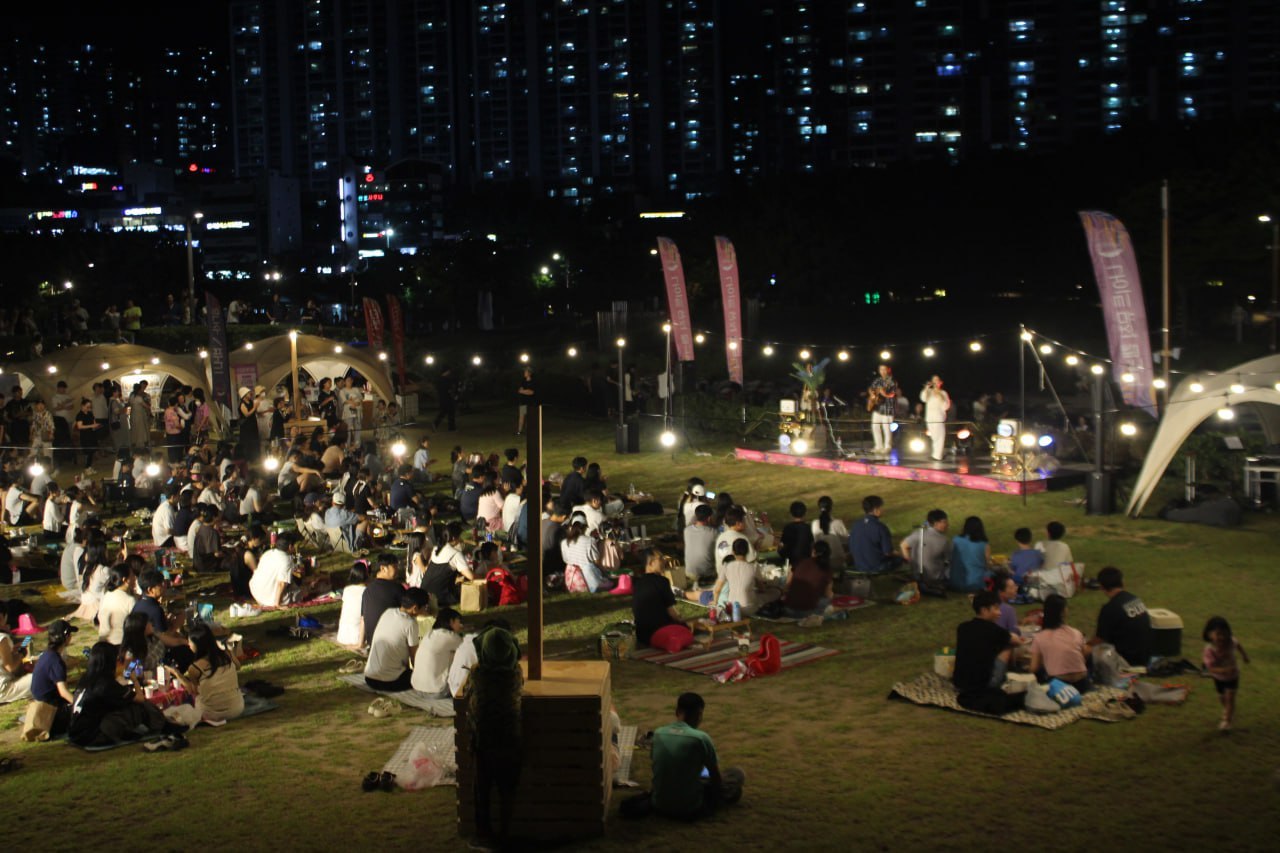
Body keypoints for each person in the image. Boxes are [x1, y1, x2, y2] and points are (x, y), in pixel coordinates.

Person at [464, 626, 524, 849]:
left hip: (483, 743)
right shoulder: (516, 675)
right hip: (511, 740)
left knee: (483, 791)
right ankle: (506, 833)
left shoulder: (477, 675)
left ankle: (483, 833)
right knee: (507, 790)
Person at [647, 692, 745, 819]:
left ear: (677, 711)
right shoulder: (700, 738)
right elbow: (716, 777)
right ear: (699, 714)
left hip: (659, 804)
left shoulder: (658, 733)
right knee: (736, 773)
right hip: (690, 808)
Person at [68, 642, 184, 749]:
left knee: (123, 705)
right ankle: (163, 726)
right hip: (94, 736)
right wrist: (135, 679)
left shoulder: (86, 678)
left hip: (77, 733)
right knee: (138, 708)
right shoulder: (106, 684)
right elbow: (140, 698)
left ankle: (157, 725)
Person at [952, 590, 1023, 714]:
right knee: (1008, 648)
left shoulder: (962, 627)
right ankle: (1012, 674)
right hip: (985, 684)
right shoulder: (996, 631)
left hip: (959, 682)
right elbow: (1016, 641)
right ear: (984, 610)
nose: (999, 613)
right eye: (996, 609)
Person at [173, 622, 244, 723]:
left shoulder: (195, 668)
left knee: (194, 698)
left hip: (210, 714)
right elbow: (238, 666)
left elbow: (193, 690)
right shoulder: (227, 654)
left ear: (198, 644)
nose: (188, 645)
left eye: (190, 642)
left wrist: (177, 674)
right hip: (237, 709)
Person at [364, 587, 430, 691]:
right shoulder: (410, 623)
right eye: (425, 607)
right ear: (415, 608)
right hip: (390, 682)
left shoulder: (388, 612)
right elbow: (414, 657)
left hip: (369, 678)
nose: (425, 610)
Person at [132, 568, 196, 670]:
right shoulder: (155, 609)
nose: (164, 586)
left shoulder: (139, 604)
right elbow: (165, 637)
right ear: (150, 590)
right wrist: (177, 624)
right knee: (185, 652)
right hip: (152, 654)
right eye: (160, 585)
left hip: (145, 649)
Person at [1088, 566, 1150, 667]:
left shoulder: (1110, 608)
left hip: (1126, 660)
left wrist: (1084, 646)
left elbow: (1099, 640)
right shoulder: (1135, 599)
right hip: (1144, 656)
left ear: (1102, 587)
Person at [1028, 593, 1091, 692]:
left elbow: (1034, 668)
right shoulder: (1075, 632)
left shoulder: (1039, 637)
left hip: (1060, 685)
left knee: (1040, 673)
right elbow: (1085, 653)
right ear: (1063, 612)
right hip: (1082, 682)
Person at [1202, 616, 1250, 732]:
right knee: (1222, 698)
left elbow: (1238, 645)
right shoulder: (1210, 650)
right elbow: (1210, 668)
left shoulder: (1231, 642)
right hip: (1218, 678)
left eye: (1225, 634)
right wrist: (1223, 670)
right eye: (1218, 634)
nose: (1222, 637)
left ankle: (1227, 721)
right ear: (1209, 635)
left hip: (1233, 676)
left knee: (1230, 697)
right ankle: (1228, 710)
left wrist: (1244, 656)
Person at [31, 619, 78, 736]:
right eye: (70, 634)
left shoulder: (46, 655)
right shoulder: (56, 661)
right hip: (51, 712)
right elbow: (63, 692)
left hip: (40, 705)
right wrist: (80, 705)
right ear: (66, 637)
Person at [631, 549, 685, 645]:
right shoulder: (662, 581)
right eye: (660, 558)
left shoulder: (637, 583)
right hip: (660, 632)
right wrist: (681, 621)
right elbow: (671, 611)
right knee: (686, 630)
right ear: (651, 563)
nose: (664, 561)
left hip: (642, 636)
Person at [713, 538, 778, 616]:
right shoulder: (753, 567)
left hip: (731, 608)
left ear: (733, 552)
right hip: (749, 608)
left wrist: (715, 602)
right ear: (747, 551)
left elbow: (717, 589)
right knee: (773, 593)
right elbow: (762, 588)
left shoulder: (726, 566)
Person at [411, 607, 465, 697]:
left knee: (450, 654)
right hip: (437, 691)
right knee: (462, 659)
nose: (461, 625)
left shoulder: (429, 634)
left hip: (417, 688)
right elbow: (468, 650)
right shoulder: (451, 636)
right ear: (451, 622)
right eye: (459, 622)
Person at [560, 512, 615, 593]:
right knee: (607, 581)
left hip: (571, 579)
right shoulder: (590, 540)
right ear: (585, 528)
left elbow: (566, 560)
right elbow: (596, 561)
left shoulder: (564, 542)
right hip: (589, 577)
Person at [900, 509, 952, 590]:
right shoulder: (944, 540)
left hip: (916, 575)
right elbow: (949, 559)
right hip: (935, 578)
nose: (947, 524)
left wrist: (909, 561)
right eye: (944, 522)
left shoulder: (918, 534)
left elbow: (903, 545)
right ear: (936, 523)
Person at [782, 540, 835, 618]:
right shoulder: (826, 568)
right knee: (826, 601)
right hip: (807, 612)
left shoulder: (800, 562)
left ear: (813, 551)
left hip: (788, 609)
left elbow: (788, 584)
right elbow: (827, 594)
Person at [848, 495, 899, 574]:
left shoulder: (856, 525)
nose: (883, 510)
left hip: (859, 566)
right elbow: (888, 552)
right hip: (876, 567)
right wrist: (901, 554)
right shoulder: (880, 527)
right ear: (876, 510)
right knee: (899, 559)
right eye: (881, 507)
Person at [97, 564, 138, 645]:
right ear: (125, 580)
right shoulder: (130, 600)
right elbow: (137, 626)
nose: (135, 578)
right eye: (133, 575)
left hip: (104, 642)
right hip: (121, 644)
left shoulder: (107, 594)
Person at [949, 516, 991, 592]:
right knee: (993, 573)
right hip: (975, 584)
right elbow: (987, 565)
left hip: (954, 583)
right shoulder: (984, 544)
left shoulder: (955, 540)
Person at [0, 608, 33, 704]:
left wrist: (12, 653)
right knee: (43, 675)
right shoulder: (2, 638)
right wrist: (21, 653)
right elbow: (10, 667)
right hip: (4, 690)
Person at [336, 561, 370, 649]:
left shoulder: (347, 590)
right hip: (357, 638)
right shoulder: (367, 592)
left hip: (342, 636)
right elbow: (365, 618)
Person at [810, 495, 850, 570]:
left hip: (821, 561)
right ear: (831, 507)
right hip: (837, 562)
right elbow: (846, 543)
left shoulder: (814, 523)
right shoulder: (837, 523)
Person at [683, 504, 718, 587]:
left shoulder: (687, 530)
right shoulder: (713, 533)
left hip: (689, 572)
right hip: (707, 574)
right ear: (709, 518)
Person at [868, 364, 898, 455]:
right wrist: (872, 394)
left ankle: (887, 446)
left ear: (888, 370)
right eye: (881, 369)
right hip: (877, 407)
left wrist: (883, 393)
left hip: (888, 407)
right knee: (875, 427)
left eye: (884, 369)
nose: (882, 371)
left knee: (886, 428)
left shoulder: (892, 380)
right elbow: (871, 388)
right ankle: (878, 446)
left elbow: (892, 394)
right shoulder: (877, 380)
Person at [920, 375, 951, 461]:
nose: (935, 382)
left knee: (939, 436)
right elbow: (923, 398)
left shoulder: (943, 393)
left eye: (937, 380)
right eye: (934, 380)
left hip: (939, 417)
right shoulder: (929, 392)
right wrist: (926, 388)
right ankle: (935, 454)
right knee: (934, 436)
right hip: (930, 417)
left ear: (940, 382)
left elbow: (946, 406)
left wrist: (940, 396)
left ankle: (938, 455)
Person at [778, 500, 815, 567]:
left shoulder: (788, 527)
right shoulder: (808, 527)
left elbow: (781, 545)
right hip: (805, 559)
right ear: (805, 513)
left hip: (791, 559)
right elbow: (812, 545)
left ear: (791, 513)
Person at [434, 366, 459, 432]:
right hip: (448, 399)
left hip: (442, 398)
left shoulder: (439, 379)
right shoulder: (447, 380)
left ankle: (436, 423)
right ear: (447, 371)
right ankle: (451, 427)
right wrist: (454, 396)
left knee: (443, 412)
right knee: (451, 413)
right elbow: (449, 390)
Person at [515, 367, 535, 435]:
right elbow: (520, 390)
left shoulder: (533, 382)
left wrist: (524, 391)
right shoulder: (523, 381)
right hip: (523, 401)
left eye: (526, 372)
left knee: (530, 417)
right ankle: (519, 431)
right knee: (521, 417)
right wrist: (525, 391)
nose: (524, 373)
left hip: (530, 402)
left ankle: (529, 430)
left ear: (529, 373)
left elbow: (531, 392)